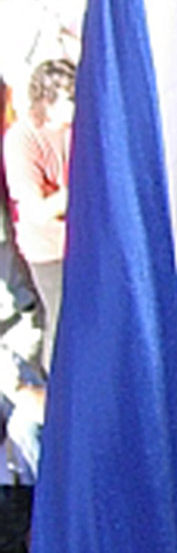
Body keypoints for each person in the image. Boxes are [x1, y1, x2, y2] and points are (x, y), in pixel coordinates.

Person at [0, 58, 67, 370]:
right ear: (48, 101)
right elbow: (37, 210)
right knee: (61, 317)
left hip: (86, 242)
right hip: (49, 250)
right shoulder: (22, 140)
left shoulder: (78, 130)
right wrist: (78, 191)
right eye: (69, 98)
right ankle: (55, 388)